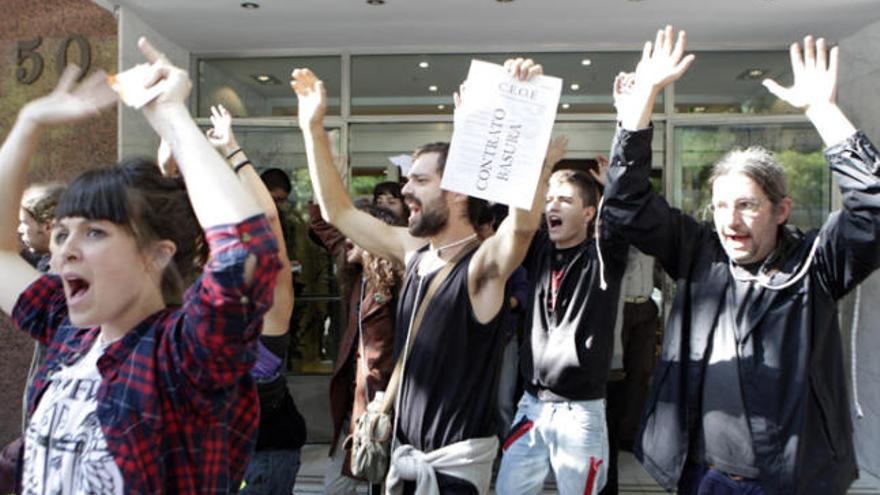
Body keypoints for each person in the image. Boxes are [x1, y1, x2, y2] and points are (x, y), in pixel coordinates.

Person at [603, 26, 880, 494]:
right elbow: (626, 205)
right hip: (701, 473)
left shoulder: (817, 263)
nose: (731, 220)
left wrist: (822, 110)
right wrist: (640, 108)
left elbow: (873, 206)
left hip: (788, 480)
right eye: (722, 205)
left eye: (748, 205)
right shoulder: (699, 251)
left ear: (782, 209)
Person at [0, 39, 281, 493]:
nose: (66, 250)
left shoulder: (182, 354)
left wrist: (170, 115)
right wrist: (29, 122)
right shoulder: (68, 332)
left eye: (95, 232)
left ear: (157, 253)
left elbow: (246, 252)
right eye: (61, 232)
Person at [291, 58, 561, 494]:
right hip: (402, 464)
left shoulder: (480, 269)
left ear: (455, 190)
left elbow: (524, 226)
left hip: (452, 477)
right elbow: (339, 211)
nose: (404, 190)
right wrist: (313, 128)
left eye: (418, 180)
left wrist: (523, 122)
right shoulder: (414, 251)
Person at [495, 159, 630, 494]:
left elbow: (624, 218)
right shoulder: (539, 249)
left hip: (580, 411)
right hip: (532, 406)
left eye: (565, 200)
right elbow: (513, 216)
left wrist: (612, 189)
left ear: (589, 213)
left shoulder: (603, 256)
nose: (553, 206)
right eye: (549, 199)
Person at [204, 104, 307, 494]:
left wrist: (233, 150)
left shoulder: (270, 309)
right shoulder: (205, 313)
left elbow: (270, 219)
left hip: (266, 454)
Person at [310, 202, 401, 495]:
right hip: (358, 403)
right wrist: (322, 191)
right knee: (337, 484)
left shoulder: (398, 281)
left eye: (354, 229)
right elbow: (325, 228)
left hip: (387, 405)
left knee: (383, 482)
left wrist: (389, 399)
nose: (345, 236)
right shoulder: (357, 274)